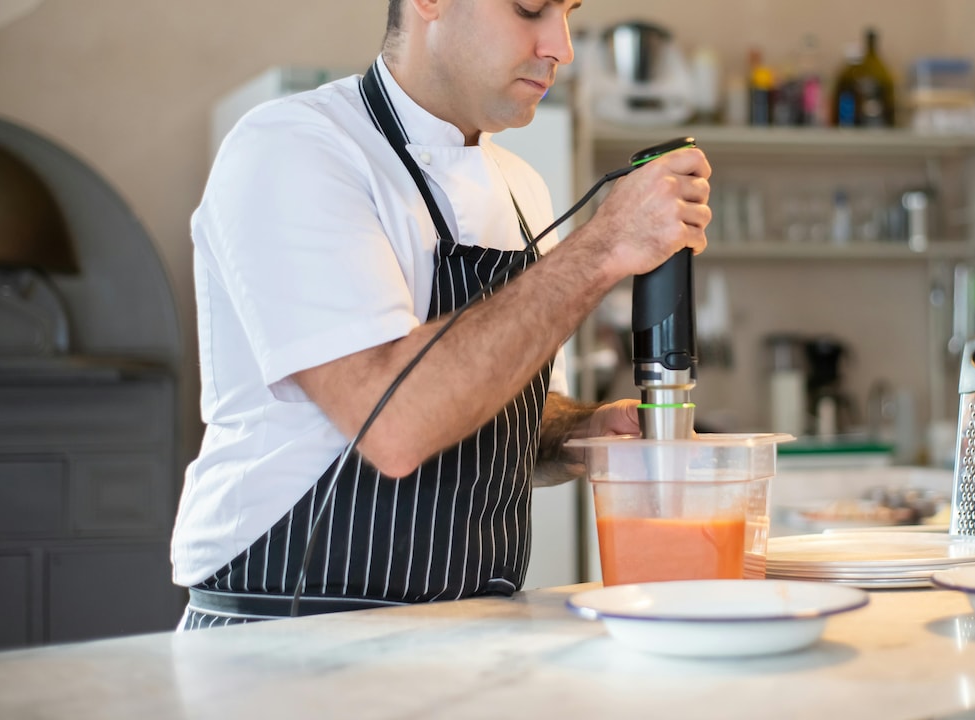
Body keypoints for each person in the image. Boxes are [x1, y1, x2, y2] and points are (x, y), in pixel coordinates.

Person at [171, 0, 711, 629]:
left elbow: (514, 415)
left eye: (567, 13)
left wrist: (583, 432)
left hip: (469, 626)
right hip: (288, 628)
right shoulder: (295, 148)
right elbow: (393, 424)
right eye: (531, 8)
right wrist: (604, 245)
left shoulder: (522, 188)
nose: (561, 48)